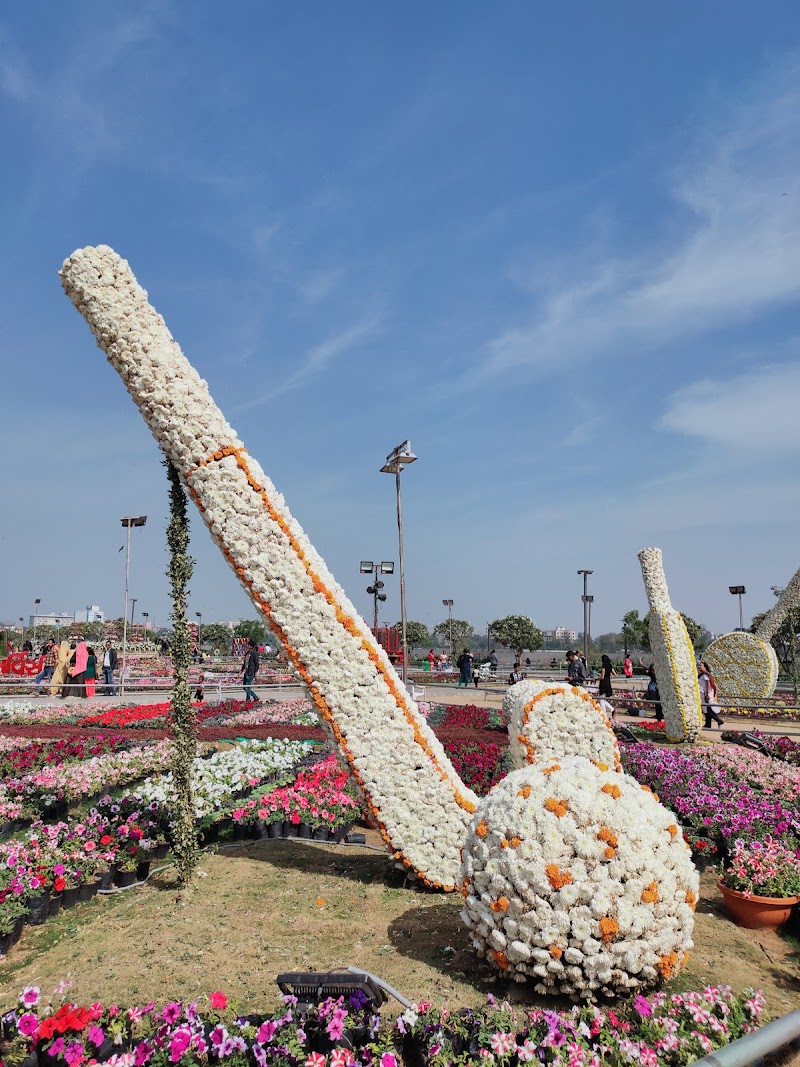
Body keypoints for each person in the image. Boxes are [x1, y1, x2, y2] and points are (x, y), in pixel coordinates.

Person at [699, 661, 724, 728]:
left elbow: (708, 684)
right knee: (706, 710)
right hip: (703, 694)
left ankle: (719, 720)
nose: (699, 667)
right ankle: (708, 724)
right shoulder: (702, 674)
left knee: (709, 710)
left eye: (700, 665)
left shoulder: (705, 675)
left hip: (706, 694)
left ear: (705, 667)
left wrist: (707, 694)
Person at [243, 637, 260, 703]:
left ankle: (248, 699)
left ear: (251, 646)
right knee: (245, 687)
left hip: (251, 672)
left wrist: (255, 672)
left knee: (248, 686)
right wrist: (241, 671)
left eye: (248, 645)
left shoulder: (254, 653)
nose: (247, 646)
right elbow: (245, 663)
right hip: (246, 671)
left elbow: (257, 664)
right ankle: (255, 696)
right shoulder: (247, 653)